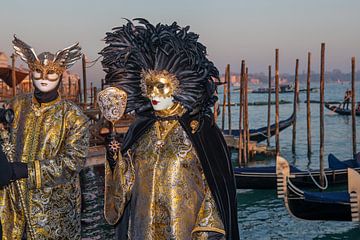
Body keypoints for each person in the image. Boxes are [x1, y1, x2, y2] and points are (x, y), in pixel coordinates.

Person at [101, 19, 239, 240]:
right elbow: (126, 186)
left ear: (178, 85)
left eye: (161, 86)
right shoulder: (140, 130)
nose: (154, 94)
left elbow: (213, 190)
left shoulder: (200, 132)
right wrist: (116, 160)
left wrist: (205, 235)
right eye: (149, 87)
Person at [0, 36, 90, 240]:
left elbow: (72, 162)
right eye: (38, 72)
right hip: (15, 205)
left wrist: (25, 170)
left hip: (53, 211)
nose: (43, 78)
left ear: (60, 74)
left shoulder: (74, 117)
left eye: (51, 74)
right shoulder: (17, 104)